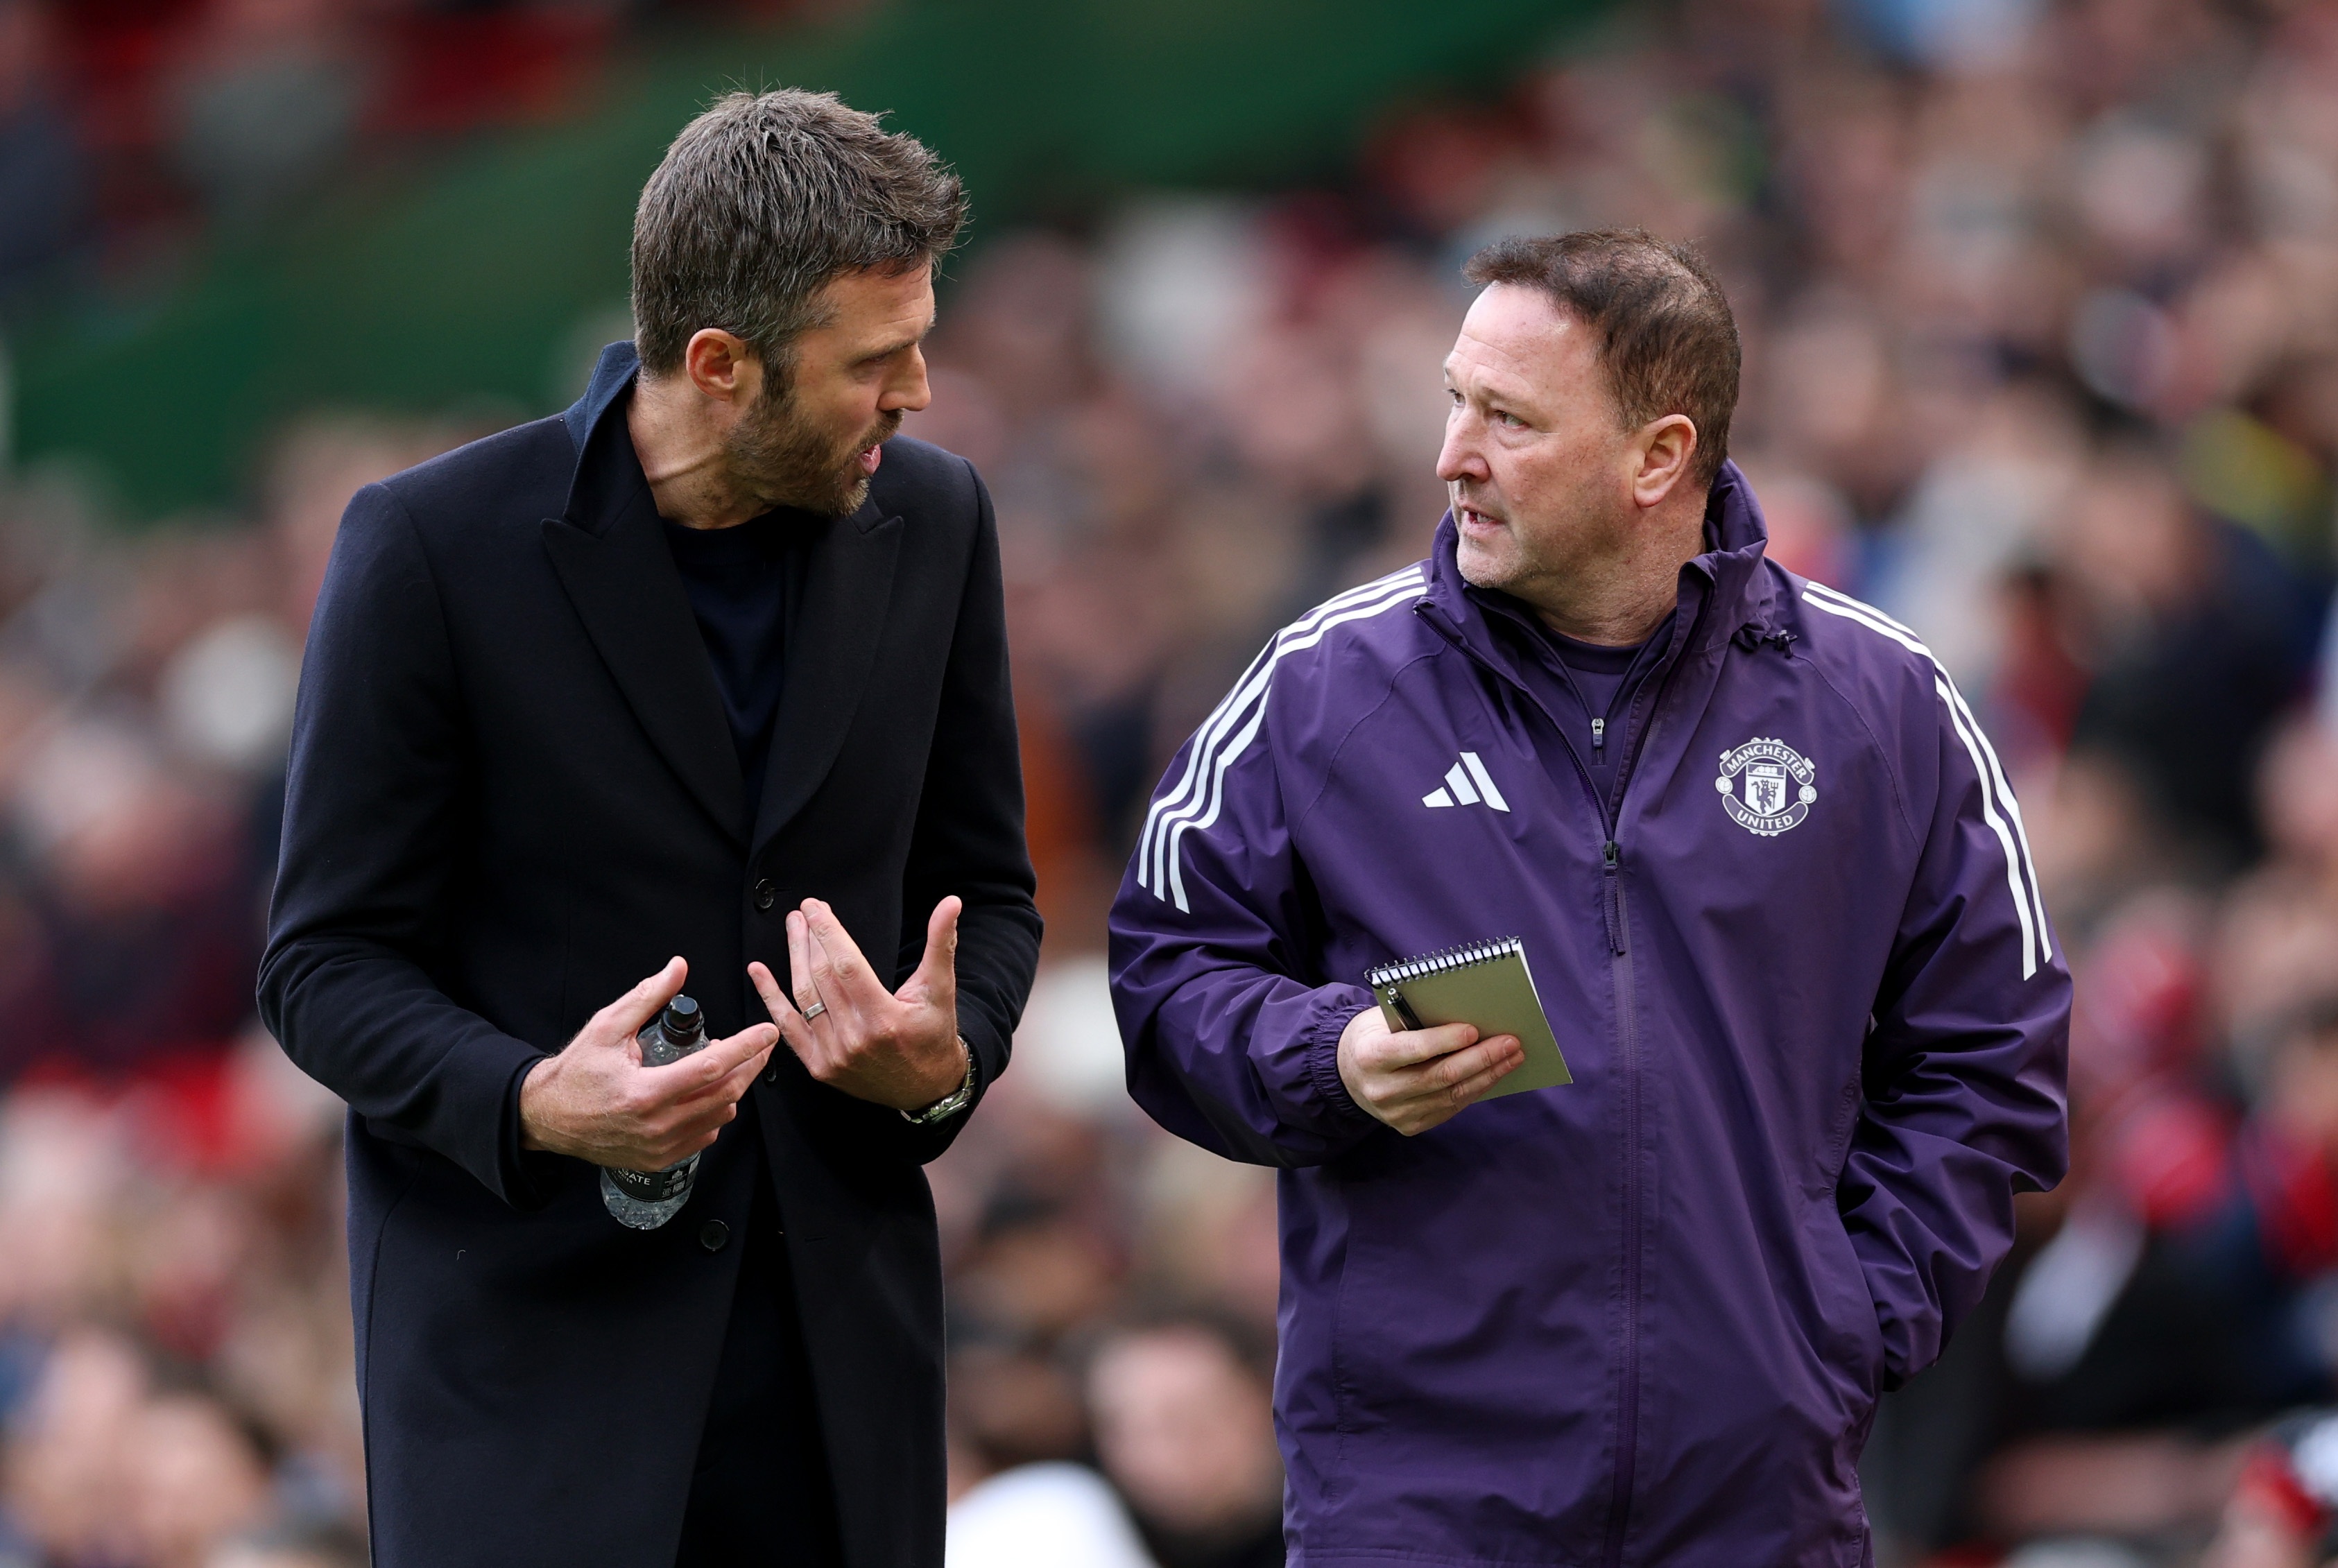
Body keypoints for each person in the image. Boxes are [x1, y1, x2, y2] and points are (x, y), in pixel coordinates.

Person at [1108, 230, 2070, 1565]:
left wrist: (1844, 1321)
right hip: (1418, 1501)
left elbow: (1993, 1053)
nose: (1453, 451)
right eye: (1455, 400)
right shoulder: (1322, 688)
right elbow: (1164, 975)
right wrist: (1325, 1055)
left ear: (1658, 458)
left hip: (1757, 1501)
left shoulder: (1879, 702)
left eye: (1507, 417)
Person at [258, 89, 1041, 1568]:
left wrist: (950, 1058)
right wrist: (538, 1101)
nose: (921, 391)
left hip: (839, 1389)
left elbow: (986, 899)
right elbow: (322, 965)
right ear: (720, 364)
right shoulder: (431, 547)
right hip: (531, 1397)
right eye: (876, 360)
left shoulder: (940, 524)